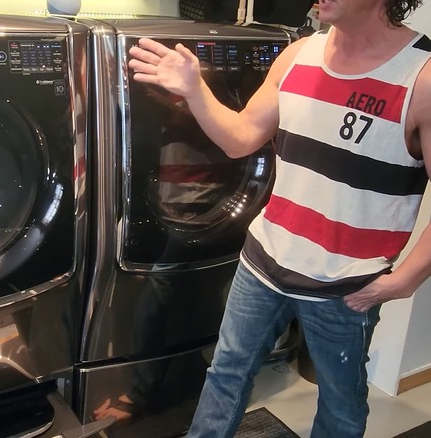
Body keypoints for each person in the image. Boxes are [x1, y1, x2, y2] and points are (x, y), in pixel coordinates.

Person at [127, 0, 431, 436]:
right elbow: (240, 139)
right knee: (225, 376)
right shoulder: (298, 53)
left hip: (344, 289)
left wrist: (406, 280)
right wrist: (195, 89)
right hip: (263, 262)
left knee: (340, 405)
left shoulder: (421, 78)